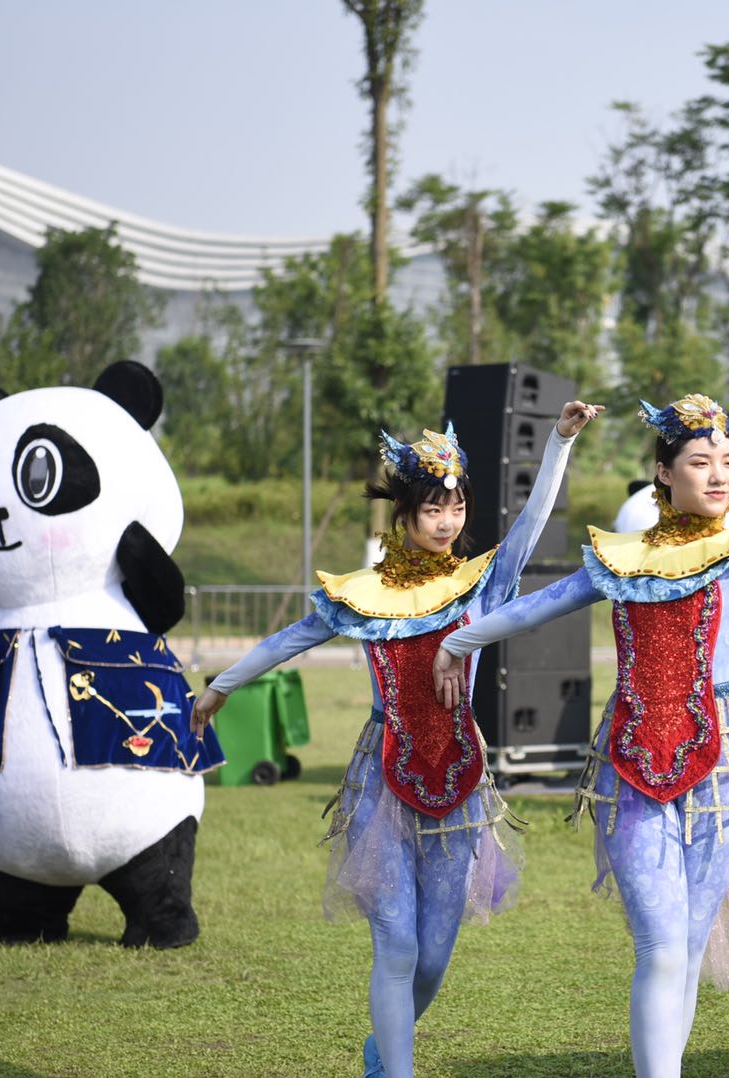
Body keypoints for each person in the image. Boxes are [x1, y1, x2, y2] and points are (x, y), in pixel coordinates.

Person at [432, 390, 729, 1078]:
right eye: (700, 461)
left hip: (723, 768)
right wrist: (455, 643)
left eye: (728, 461)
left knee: (691, 948)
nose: (718, 475)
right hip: (631, 769)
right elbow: (533, 609)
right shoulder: (622, 561)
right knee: (661, 948)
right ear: (665, 473)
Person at [191, 401, 600, 1078]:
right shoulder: (366, 593)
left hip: (459, 779)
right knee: (398, 945)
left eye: (458, 506)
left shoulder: (479, 584)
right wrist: (222, 686)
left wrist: (557, 442)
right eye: (434, 508)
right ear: (403, 515)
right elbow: (290, 639)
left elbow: (527, 531)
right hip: (383, 779)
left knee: (435, 954)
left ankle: (384, 1054)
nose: (448, 522)